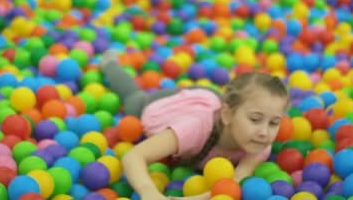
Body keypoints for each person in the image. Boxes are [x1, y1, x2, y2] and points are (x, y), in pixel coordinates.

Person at [100, 50, 290, 200]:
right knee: (135, 99)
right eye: (255, 119)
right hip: (178, 106)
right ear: (228, 115)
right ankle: (109, 63)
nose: (264, 132)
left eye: (274, 123)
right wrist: (148, 190)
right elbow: (133, 156)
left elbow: (234, 184)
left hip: (212, 105)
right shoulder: (194, 129)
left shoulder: (259, 145)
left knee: (223, 102)